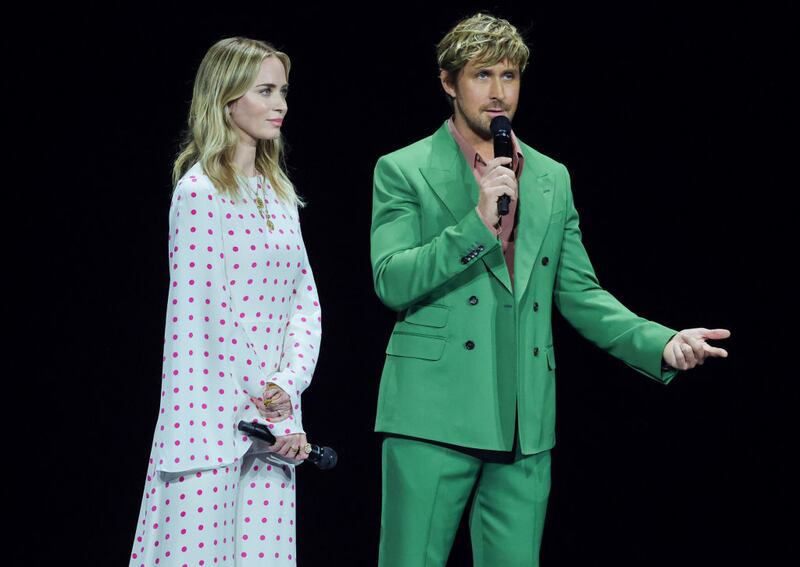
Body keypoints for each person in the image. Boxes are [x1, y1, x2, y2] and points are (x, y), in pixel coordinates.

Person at [369, 13, 729, 567]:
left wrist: (659, 341)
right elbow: (392, 280)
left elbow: (580, 293)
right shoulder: (403, 169)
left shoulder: (550, 177)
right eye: (481, 75)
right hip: (431, 415)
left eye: (509, 76)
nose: (497, 93)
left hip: (523, 422)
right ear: (448, 83)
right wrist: (476, 224)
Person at [129, 37, 321, 566]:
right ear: (226, 97)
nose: (280, 103)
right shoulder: (199, 192)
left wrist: (288, 384)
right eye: (264, 90)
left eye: (282, 90)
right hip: (208, 426)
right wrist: (272, 403)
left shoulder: (279, 192)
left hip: (271, 425)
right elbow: (208, 318)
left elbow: (305, 302)